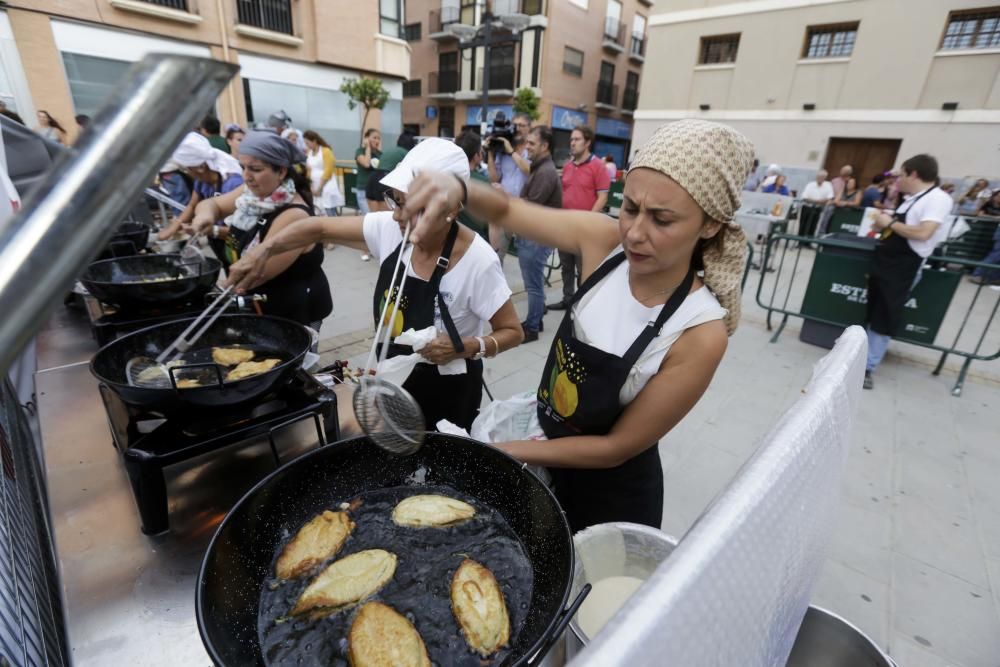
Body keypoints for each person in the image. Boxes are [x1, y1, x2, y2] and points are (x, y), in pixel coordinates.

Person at [398, 119, 753, 532]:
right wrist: (459, 188)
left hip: (610, 492)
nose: (635, 233)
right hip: (545, 449)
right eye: (631, 208)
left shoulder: (700, 331)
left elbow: (615, 447)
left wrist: (500, 451)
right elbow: (510, 210)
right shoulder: (603, 243)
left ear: (709, 225)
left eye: (662, 219)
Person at [225, 138, 523, 431]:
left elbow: (512, 332)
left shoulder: (478, 260)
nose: (397, 215)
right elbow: (315, 227)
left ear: (452, 208)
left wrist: (466, 346)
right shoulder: (391, 230)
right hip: (392, 381)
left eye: (413, 206)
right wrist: (263, 251)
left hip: (448, 392)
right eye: (396, 200)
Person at [184, 130, 332, 329]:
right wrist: (205, 216)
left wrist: (212, 287)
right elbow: (213, 204)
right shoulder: (253, 195)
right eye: (243, 167)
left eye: (255, 169)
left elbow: (254, 274)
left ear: (281, 171)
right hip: (259, 302)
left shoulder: (293, 215)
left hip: (291, 308)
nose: (246, 176)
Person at [864, 154, 953, 390]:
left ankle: (867, 367)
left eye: (902, 175)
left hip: (903, 267)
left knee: (885, 314)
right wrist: (882, 222)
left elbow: (924, 233)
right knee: (875, 311)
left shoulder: (937, 199)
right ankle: (860, 357)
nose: (898, 180)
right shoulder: (911, 199)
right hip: (886, 263)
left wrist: (889, 224)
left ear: (913, 174)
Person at [550, 125, 611, 311]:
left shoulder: (598, 167)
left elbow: (603, 197)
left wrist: (588, 221)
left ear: (588, 142)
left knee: (583, 269)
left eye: (576, 139)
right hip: (564, 227)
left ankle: (581, 304)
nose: (572, 143)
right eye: (571, 139)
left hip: (585, 230)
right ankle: (568, 299)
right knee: (566, 267)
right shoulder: (567, 166)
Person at [518, 126, 562, 342]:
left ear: (545, 146)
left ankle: (533, 327)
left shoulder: (545, 172)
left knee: (533, 286)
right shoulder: (540, 168)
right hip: (535, 236)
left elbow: (531, 205)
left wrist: (511, 201)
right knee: (533, 284)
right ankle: (535, 320)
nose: (527, 147)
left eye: (532, 143)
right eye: (527, 142)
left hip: (537, 237)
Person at [157, 131, 244, 241]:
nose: (187, 173)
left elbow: (242, 231)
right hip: (217, 239)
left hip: (234, 241)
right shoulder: (202, 181)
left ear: (201, 168)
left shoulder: (234, 184)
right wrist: (175, 226)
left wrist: (213, 230)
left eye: (187, 169)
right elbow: (192, 205)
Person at [454, 130, 494, 248]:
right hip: (477, 241)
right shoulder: (483, 183)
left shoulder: (449, 177)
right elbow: (491, 222)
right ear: (477, 155)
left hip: (453, 238)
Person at [366, 131, 416, 212]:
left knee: (375, 216)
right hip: (385, 179)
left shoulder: (390, 150)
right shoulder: (407, 154)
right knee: (386, 216)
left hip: (372, 179)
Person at [303, 130, 344, 217]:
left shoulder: (326, 151)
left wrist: (319, 188)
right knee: (318, 211)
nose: (306, 146)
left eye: (308, 143)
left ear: (314, 141)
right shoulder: (309, 153)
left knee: (329, 211)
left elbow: (328, 171)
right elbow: (309, 171)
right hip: (314, 187)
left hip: (326, 186)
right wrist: (311, 187)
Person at [968, 192, 1000, 286]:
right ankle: (978, 274)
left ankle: (994, 277)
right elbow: (979, 213)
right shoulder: (988, 204)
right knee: (996, 255)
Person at [354, 128, 382, 217]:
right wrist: (368, 148)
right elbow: (366, 164)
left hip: (377, 191)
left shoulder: (380, 154)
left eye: (378, 138)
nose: (377, 141)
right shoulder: (360, 151)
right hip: (363, 191)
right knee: (368, 217)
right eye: (374, 138)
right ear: (366, 138)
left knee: (376, 217)